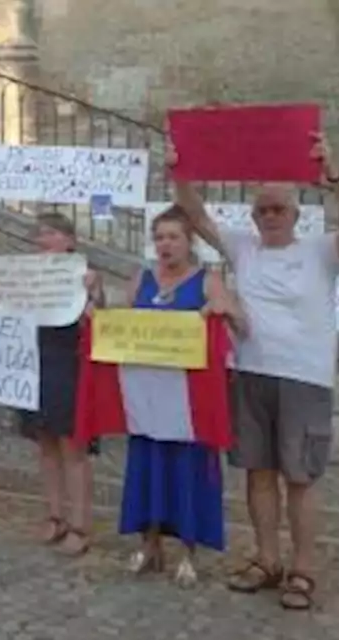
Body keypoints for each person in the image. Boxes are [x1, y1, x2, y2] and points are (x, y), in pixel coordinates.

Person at [170, 134, 339, 610]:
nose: (269, 216)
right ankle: (267, 559)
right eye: (262, 209)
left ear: (296, 214)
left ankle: (303, 568)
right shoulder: (244, 248)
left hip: (304, 377)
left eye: (278, 209)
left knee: (300, 477)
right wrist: (180, 169)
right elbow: (195, 215)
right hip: (249, 372)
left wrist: (336, 176)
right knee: (258, 473)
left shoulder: (321, 251)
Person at [116, 208, 245, 585]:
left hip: (189, 398)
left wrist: (223, 310)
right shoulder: (141, 277)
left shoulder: (208, 279)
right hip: (146, 394)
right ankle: (150, 544)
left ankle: (188, 549)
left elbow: (242, 323)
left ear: (190, 242)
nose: (165, 245)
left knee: (188, 469)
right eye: (159, 237)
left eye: (173, 237)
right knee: (147, 465)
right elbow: (124, 324)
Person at [18, 212, 104, 556]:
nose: (43, 240)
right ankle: (54, 514)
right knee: (45, 444)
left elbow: (97, 321)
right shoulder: (25, 276)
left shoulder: (85, 275)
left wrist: (93, 295)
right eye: (39, 235)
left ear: (69, 240)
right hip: (35, 362)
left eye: (51, 233)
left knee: (73, 449)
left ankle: (81, 523)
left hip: (69, 363)